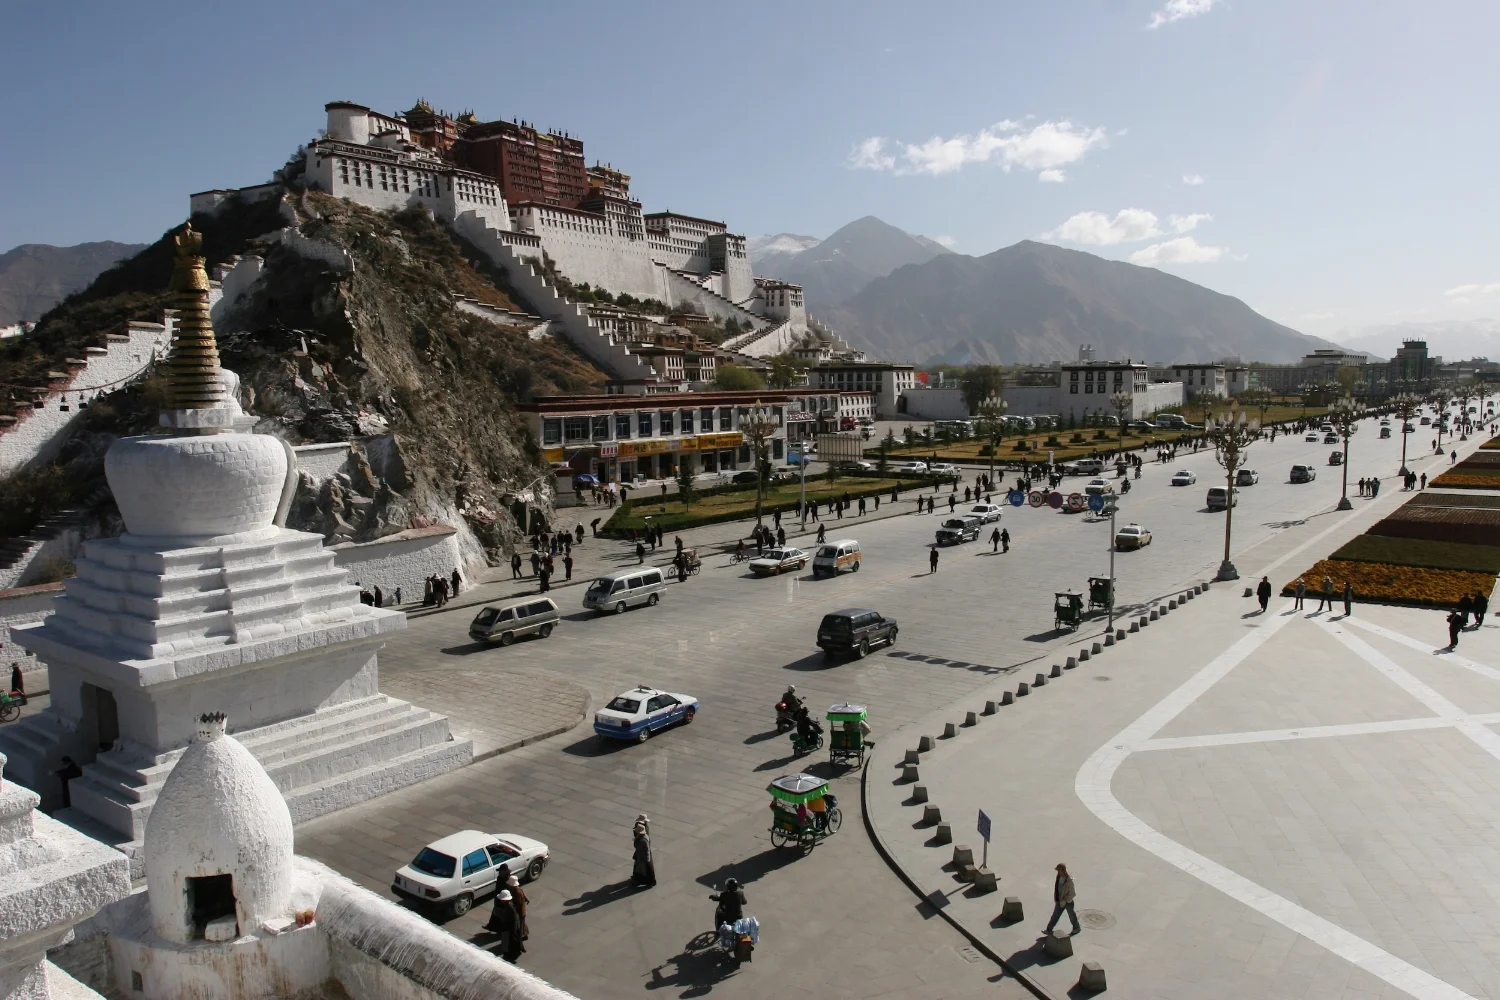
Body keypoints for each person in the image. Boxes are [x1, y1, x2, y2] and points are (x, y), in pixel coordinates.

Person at [486, 889, 523, 962]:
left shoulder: (510, 907)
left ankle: (509, 955)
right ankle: (508, 954)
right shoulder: (509, 905)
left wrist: (514, 930)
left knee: (508, 942)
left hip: (509, 928)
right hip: (508, 927)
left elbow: (514, 920)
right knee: (507, 942)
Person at [1045, 863, 1082, 936]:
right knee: (1055, 915)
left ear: (1063, 871)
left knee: (1071, 916)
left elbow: (1073, 893)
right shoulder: (1058, 877)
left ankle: (1076, 928)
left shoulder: (1069, 880)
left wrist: (1066, 900)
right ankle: (1049, 930)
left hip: (1068, 902)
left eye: (1058, 870)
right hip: (1060, 901)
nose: (1058, 872)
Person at [505, 874, 530, 940]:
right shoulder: (517, 889)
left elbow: (518, 904)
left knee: (521, 924)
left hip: (520, 911)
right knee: (522, 923)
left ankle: (523, 935)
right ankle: (524, 933)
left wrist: (515, 911)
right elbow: (523, 895)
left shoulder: (517, 892)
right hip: (521, 911)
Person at [632, 821, 656, 888]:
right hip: (641, 856)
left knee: (641, 870)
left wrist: (647, 859)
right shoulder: (643, 837)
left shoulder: (643, 840)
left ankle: (641, 880)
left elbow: (646, 850)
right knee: (640, 869)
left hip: (642, 858)